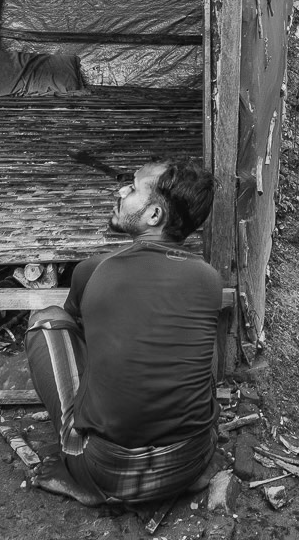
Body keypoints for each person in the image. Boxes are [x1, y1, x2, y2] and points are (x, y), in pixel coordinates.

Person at [26, 158, 221, 506]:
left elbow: (78, 328)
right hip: (192, 461)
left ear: (154, 217)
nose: (120, 191)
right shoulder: (209, 279)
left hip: (108, 471)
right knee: (196, 334)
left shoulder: (95, 271)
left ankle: (85, 482)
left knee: (48, 319)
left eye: (131, 188)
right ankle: (182, 473)